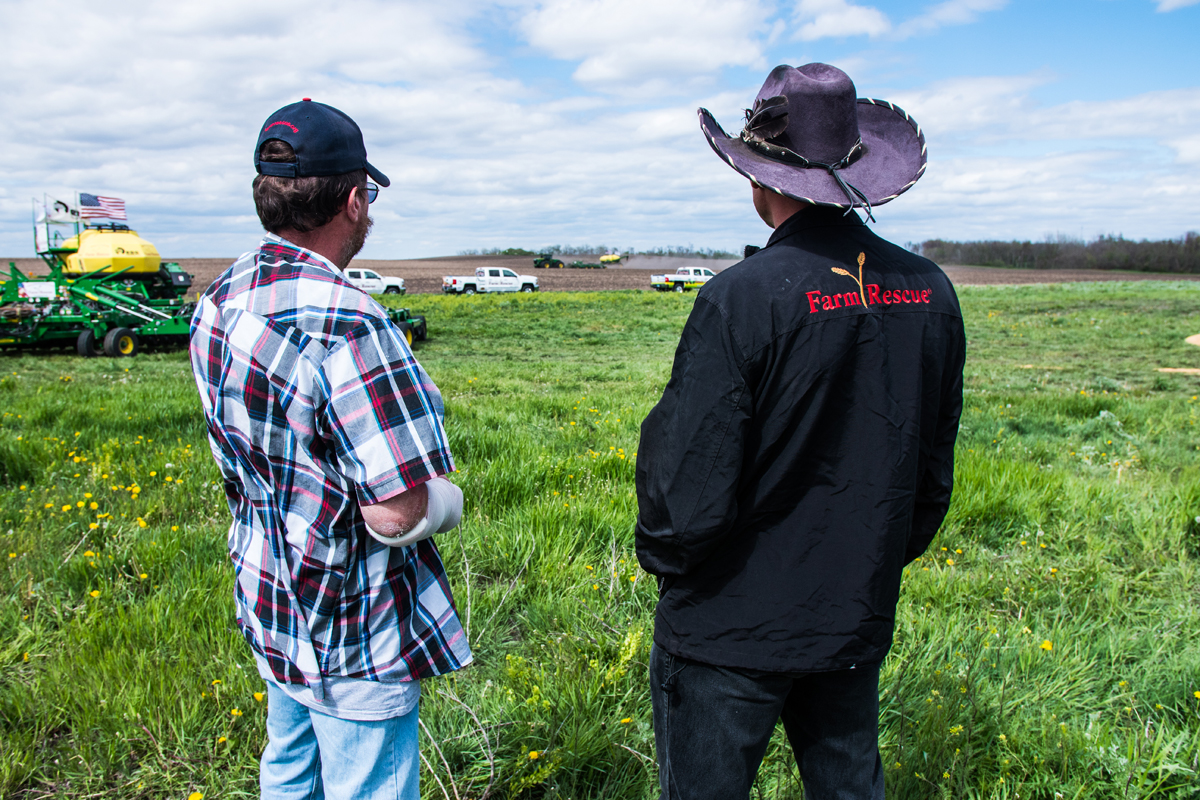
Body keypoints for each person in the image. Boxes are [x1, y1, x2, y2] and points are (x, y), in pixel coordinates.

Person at [635, 64, 966, 799]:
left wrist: (666, 560)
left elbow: (685, 489)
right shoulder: (931, 293)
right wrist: (868, 562)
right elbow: (929, 478)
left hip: (727, 626)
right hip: (853, 614)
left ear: (758, 179)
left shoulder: (740, 298)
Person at [189, 99, 470, 800]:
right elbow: (395, 513)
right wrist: (449, 503)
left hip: (271, 601)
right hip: (352, 621)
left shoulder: (220, 298)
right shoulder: (351, 322)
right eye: (367, 195)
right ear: (352, 198)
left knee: (287, 768)